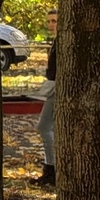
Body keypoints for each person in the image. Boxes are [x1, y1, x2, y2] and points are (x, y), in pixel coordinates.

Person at [35, 40, 57, 186]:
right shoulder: (56, 40)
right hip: (54, 84)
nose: (51, 24)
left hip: (57, 86)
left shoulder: (65, 39)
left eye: (54, 21)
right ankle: (51, 167)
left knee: (44, 127)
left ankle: (52, 168)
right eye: (49, 21)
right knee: (49, 128)